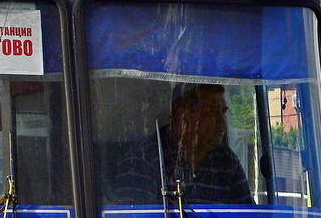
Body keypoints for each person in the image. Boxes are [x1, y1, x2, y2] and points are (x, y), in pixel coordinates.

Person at [104, 83, 252, 206]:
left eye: (223, 112)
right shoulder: (144, 159)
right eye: (212, 112)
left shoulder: (226, 160)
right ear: (183, 115)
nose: (222, 121)